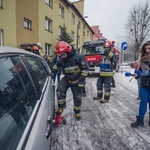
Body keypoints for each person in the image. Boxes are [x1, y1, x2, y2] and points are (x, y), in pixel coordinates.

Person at [51, 41, 89, 120]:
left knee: (77, 97)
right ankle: (61, 107)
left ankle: (77, 112)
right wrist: (52, 73)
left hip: (77, 79)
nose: (62, 56)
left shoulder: (79, 57)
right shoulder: (61, 59)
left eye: (63, 54)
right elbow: (56, 66)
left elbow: (85, 69)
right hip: (67, 78)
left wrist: (82, 80)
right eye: (61, 55)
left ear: (68, 51)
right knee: (60, 90)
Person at [131, 40, 150, 128]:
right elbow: (141, 72)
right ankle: (140, 120)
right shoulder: (143, 59)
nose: (147, 51)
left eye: (149, 48)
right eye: (146, 49)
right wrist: (137, 75)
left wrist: (147, 73)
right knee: (143, 102)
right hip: (144, 85)